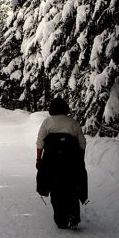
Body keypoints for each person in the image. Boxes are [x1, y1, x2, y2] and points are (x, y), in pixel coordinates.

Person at [36, 97, 87, 230]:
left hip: (52, 161)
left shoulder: (47, 122)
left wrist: (38, 159)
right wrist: (80, 161)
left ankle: (61, 219)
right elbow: (82, 143)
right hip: (71, 161)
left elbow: (40, 142)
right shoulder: (73, 123)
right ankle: (73, 217)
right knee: (72, 188)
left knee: (55, 189)